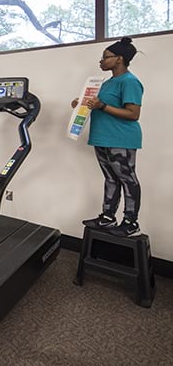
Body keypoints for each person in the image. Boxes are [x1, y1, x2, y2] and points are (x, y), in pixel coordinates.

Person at [73, 37, 143, 237]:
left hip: (121, 139)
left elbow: (133, 114)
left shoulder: (130, 82)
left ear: (119, 59)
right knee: (111, 179)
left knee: (128, 180)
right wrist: (82, 103)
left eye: (105, 57)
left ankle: (130, 222)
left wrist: (102, 106)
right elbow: (100, 105)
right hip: (102, 138)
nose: (101, 61)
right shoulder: (107, 83)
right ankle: (107, 217)